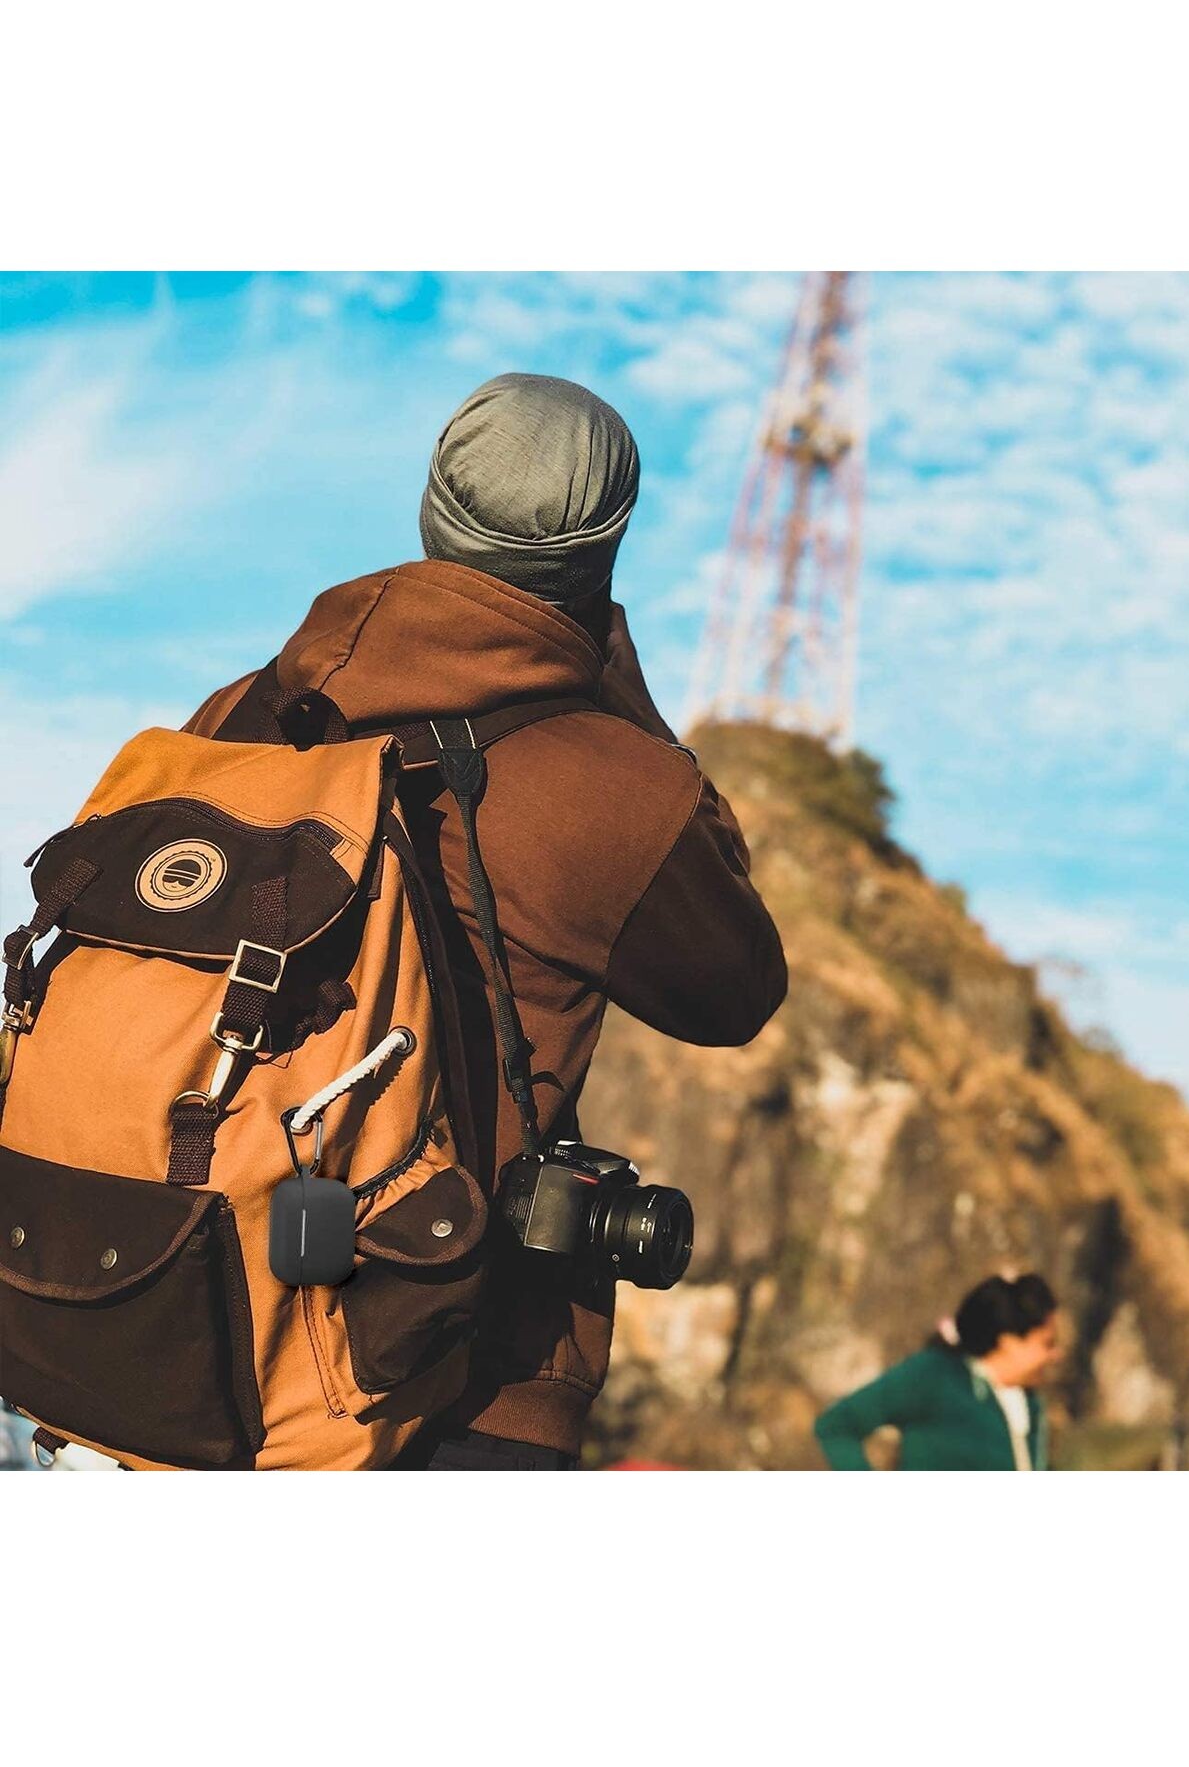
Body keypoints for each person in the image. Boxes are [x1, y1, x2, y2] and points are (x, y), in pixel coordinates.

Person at [185, 372, 788, 1470]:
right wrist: (636, 717)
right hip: (454, 1386)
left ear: (430, 516)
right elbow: (738, 988)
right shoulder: (608, 786)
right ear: (602, 556)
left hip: (191, 1334)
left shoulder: (236, 715)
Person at [814, 1273, 1062, 1471]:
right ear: (1008, 1341)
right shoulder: (934, 1375)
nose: (1055, 1355)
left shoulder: (1029, 1404)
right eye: (1047, 1343)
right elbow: (836, 1426)